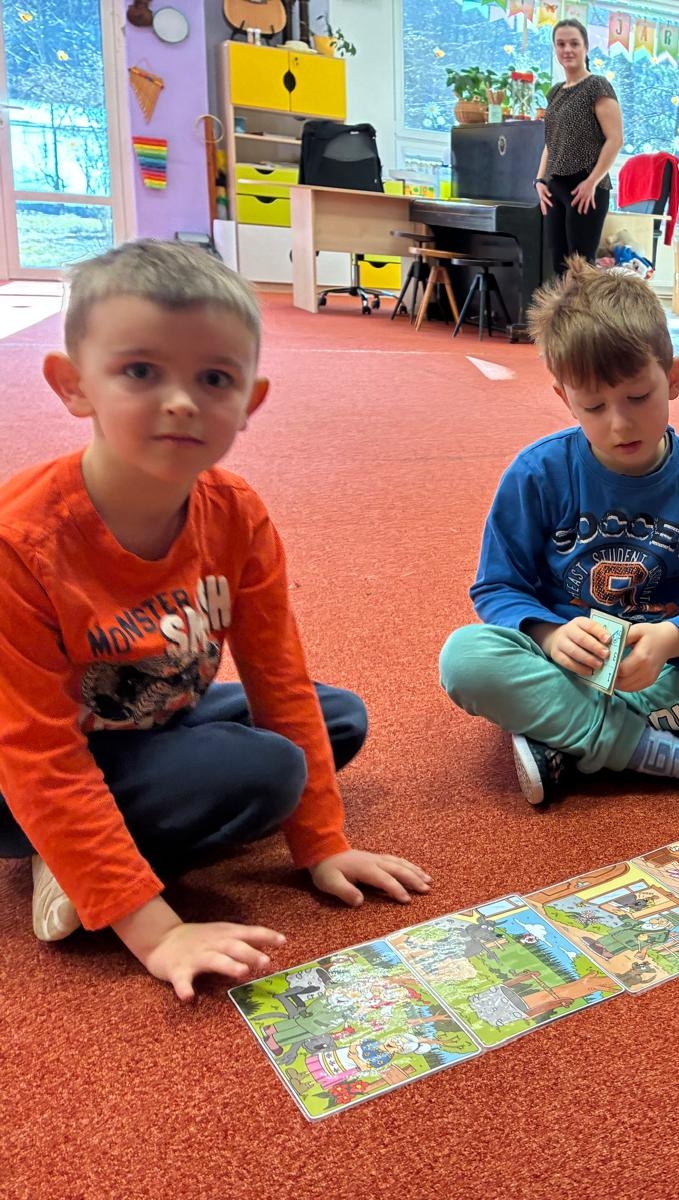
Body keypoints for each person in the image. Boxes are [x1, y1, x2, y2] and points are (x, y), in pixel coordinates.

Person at [0, 240, 431, 1001]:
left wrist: (323, 846)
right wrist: (157, 930)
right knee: (272, 771)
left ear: (249, 402)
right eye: (140, 371)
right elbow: (36, 753)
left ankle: (86, 847)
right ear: (74, 385)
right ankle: (67, 858)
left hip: (142, 725)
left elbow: (278, 677)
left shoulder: (235, 514)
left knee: (336, 718)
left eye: (214, 379)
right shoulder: (22, 542)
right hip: (18, 775)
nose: (182, 401)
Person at [439, 260, 679, 806]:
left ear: (674, 378)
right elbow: (497, 587)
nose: (620, 424)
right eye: (594, 407)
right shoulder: (537, 472)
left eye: (638, 397)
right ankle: (658, 752)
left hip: (655, 668)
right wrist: (550, 636)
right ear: (565, 399)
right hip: (562, 666)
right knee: (466, 658)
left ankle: (568, 736)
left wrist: (671, 640)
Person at [536, 18, 623, 276]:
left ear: (586, 47)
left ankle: (588, 308)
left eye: (574, 43)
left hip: (585, 188)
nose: (567, 50)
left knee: (581, 269)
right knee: (559, 268)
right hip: (555, 187)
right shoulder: (555, 92)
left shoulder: (597, 86)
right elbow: (551, 142)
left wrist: (592, 182)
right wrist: (539, 180)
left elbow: (615, 139)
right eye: (561, 44)